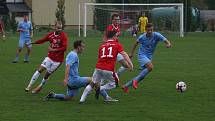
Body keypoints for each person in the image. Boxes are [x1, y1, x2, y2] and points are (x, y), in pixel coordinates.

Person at [79, 30, 133, 103]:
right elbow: (124, 54)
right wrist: (130, 64)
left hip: (98, 68)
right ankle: (100, 88)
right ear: (114, 37)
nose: (116, 38)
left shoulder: (102, 46)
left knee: (92, 83)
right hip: (108, 69)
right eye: (116, 36)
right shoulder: (117, 44)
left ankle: (82, 99)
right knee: (115, 84)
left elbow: (100, 57)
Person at [122, 23, 172, 93]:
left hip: (149, 56)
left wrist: (168, 44)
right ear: (145, 30)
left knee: (142, 75)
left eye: (151, 30)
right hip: (142, 55)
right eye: (148, 30)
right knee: (150, 67)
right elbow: (135, 43)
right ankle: (135, 81)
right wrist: (131, 53)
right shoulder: (142, 37)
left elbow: (166, 40)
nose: (150, 32)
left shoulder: (156, 35)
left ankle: (126, 86)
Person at [25, 21, 68, 94]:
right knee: (40, 69)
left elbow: (65, 48)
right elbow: (42, 40)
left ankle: (40, 87)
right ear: (54, 27)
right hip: (49, 57)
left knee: (47, 74)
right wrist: (33, 42)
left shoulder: (63, 36)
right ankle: (29, 86)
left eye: (60, 28)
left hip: (58, 61)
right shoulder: (50, 35)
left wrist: (54, 50)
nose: (59, 29)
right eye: (58, 28)